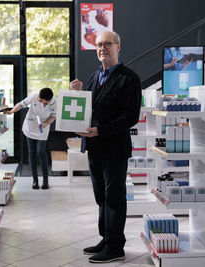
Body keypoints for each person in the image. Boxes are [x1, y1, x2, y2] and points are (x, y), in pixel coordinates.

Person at [70, 31, 141, 263]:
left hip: (114, 147)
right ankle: (106, 238)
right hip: (94, 147)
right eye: (99, 45)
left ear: (118, 47)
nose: (102, 48)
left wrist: (101, 129)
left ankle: (115, 245)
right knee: (101, 196)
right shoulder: (93, 77)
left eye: (107, 44)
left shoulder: (129, 78)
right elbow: (89, 109)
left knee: (114, 197)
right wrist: (77, 96)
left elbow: (130, 116)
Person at [5, 88, 56, 190]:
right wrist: (12, 111)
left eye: (42, 100)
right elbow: (20, 104)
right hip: (30, 127)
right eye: (39, 98)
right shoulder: (34, 96)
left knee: (41, 152)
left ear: (48, 100)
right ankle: (35, 180)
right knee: (32, 153)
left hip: (43, 129)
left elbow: (53, 116)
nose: (39, 100)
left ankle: (45, 180)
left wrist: (45, 123)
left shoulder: (55, 103)